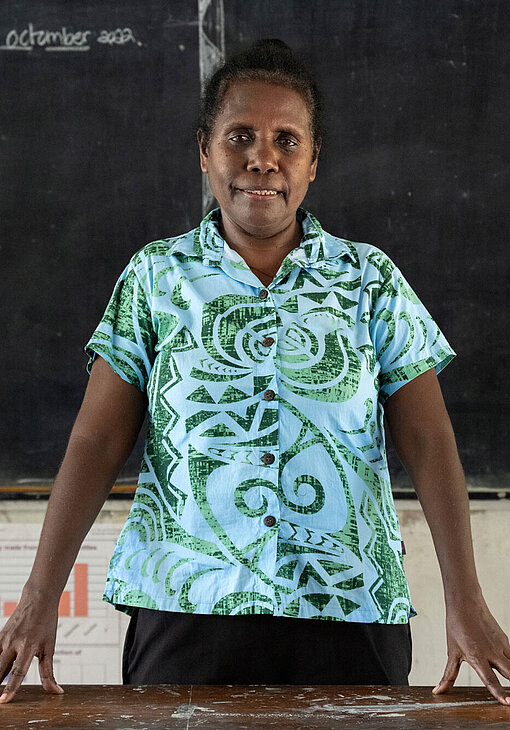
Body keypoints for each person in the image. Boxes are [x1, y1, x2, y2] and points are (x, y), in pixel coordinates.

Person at [1, 38, 509, 704]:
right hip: (188, 606)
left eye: (287, 140)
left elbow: (428, 440)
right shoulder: (157, 278)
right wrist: (38, 599)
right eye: (239, 135)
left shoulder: (369, 280)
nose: (262, 158)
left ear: (314, 161)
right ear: (205, 152)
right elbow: (96, 442)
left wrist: (466, 600)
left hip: (347, 607)